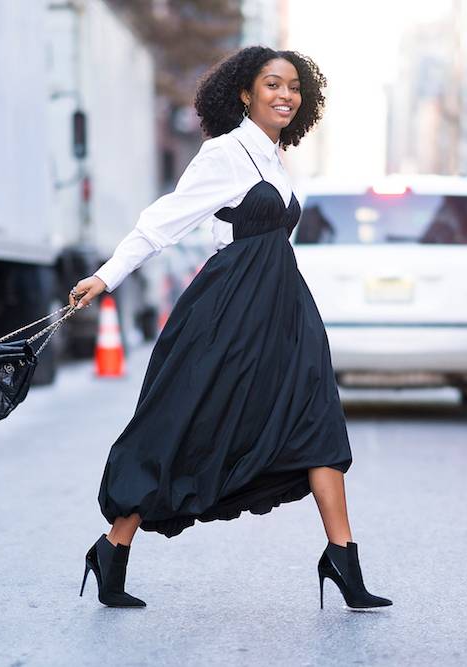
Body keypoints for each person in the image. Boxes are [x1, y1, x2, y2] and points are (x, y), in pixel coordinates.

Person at [69, 46, 392, 611]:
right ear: (246, 93)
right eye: (272, 84)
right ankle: (112, 548)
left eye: (294, 86)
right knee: (182, 426)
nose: (285, 94)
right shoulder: (225, 152)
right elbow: (161, 223)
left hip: (286, 311)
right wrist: (107, 276)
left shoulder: (273, 157)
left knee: (318, 419)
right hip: (229, 313)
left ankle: (343, 560)